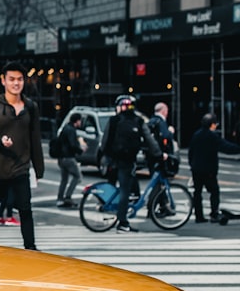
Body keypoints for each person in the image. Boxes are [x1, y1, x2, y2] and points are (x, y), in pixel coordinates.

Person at [0, 61, 43, 250]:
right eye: (12, 79)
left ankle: (30, 248)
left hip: (20, 168)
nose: (16, 83)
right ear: (3, 81)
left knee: (25, 209)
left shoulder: (31, 107)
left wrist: (38, 169)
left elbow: (35, 139)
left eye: (20, 79)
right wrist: (0, 141)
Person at [99, 95, 165, 233]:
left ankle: (111, 206)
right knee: (125, 190)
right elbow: (149, 140)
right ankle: (122, 222)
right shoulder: (138, 121)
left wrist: (107, 157)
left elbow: (104, 142)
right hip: (128, 160)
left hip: (112, 160)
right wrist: (158, 154)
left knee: (118, 185)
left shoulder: (114, 120)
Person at [188, 112, 240, 223]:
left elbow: (190, 152)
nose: (216, 125)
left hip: (196, 169)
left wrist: (192, 165)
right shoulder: (212, 136)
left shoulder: (196, 134)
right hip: (208, 169)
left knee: (197, 192)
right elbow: (226, 147)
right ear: (211, 124)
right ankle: (214, 214)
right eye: (215, 123)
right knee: (214, 191)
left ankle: (199, 216)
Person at [55, 112, 85, 207]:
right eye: (80, 120)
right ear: (77, 121)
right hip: (68, 157)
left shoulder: (65, 128)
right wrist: (80, 150)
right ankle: (68, 197)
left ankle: (60, 199)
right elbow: (73, 144)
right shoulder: (71, 130)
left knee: (64, 179)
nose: (81, 122)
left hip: (61, 157)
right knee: (78, 177)